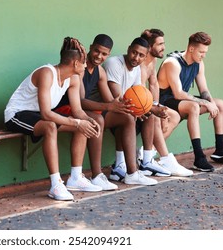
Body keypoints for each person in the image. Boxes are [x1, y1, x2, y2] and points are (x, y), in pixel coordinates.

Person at [4, 37, 103, 201]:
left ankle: (76, 177)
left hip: (37, 115)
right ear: (75, 64)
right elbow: (46, 114)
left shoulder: (73, 79)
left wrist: (88, 121)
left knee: (82, 126)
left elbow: (78, 111)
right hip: (17, 115)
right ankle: (56, 184)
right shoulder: (46, 73)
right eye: (84, 63)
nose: (86, 66)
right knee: (50, 126)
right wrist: (77, 122)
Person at [54, 34, 157, 187]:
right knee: (98, 119)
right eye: (96, 51)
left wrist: (130, 109)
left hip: (88, 111)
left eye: (104, 54)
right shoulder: (79, 68)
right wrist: (109, 107)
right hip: (66, 108)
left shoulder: (100, 72)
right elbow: (80, 102)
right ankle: (96, 175)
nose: (99, 56)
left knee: (127, 118)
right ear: (90, 48)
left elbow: (110, 100)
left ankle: (132, 173)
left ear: (108, 54)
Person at [157, 32, 223, 172]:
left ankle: (220, 150)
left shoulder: (199, 63)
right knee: (194, 107)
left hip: (183, 100)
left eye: (205, 52)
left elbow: (204, 90)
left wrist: (211, 103)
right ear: (191, 49)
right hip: (165, 101)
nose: (203, 55)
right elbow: (178, 93)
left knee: (220, 104)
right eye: (201, 52)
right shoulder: (172, 63)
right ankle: (199, 158)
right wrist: (205, 103)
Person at [103, 37, 171, 179]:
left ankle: (146, 161)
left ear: (145, 56)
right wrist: (151, 108)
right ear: (128, 49)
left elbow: (140, 95)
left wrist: (151, 108)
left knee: (148, 114)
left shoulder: (137, 69)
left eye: (141, 55)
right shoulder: (113, 63)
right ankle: (120, 165)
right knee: (129, 116)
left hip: (123, 108)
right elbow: (119, 99)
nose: (136, 57)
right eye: (134, 53)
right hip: (107, 109)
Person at [140, 29, 193, 177]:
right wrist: (154, 110)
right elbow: (137, 91)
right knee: (156, 118)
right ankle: (164, 158)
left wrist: (157, 105)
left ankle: (146, 154)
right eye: (160, 44)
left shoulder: (153, 60)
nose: (164, 47)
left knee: (173, 116)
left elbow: (154, 84)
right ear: (150, 47)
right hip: (136, 105)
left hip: (148, 103)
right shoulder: (141, 63)